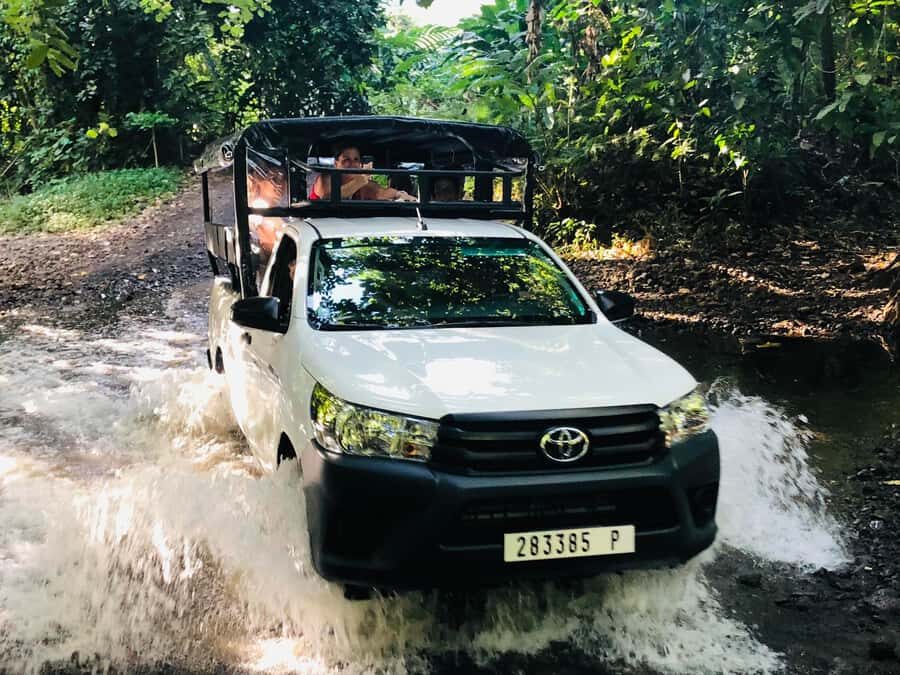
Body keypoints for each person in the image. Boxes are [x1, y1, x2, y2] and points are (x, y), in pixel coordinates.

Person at [310, 144, 416, 201]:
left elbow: (380, 193)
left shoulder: (364, 183)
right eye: (346, 160)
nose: (352, 164)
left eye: (356, 160)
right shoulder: (325, 179)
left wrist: (399, 194)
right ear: (336, 163)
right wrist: (360, 181)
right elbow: (328, 196)